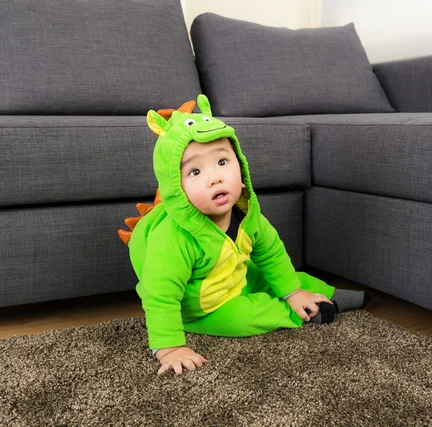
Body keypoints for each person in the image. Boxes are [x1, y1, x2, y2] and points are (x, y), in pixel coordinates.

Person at [119, 95, 371, 375]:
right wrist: (169, 347)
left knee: (289, 278)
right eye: (195, 171)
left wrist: (294, 291)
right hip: (204, 306)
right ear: (175, 189)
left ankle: (325, 294)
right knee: (248, 316)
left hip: (235, 275)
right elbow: (159, 295)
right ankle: (310, 311)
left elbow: (272, 253)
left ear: (241, 167)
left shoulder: (249, 216)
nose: (214, 177)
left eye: (223, 162)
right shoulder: (174, 239)